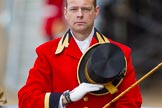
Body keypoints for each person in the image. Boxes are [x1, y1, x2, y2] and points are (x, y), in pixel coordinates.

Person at [18, 0, 142, 108]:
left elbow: (130, 101)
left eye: (86, 9)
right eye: (73, 9)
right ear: (65, 12)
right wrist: (66, 98)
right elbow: (26, 99)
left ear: (96, 11)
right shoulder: (46, 52)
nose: (80, 15)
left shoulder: (120, 52)